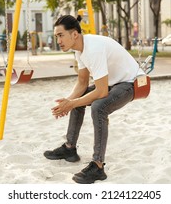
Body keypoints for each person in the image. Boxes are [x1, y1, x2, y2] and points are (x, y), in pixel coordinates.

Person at [44, 14, 145, 184]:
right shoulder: (79, 50)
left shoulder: (94, 48)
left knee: (99, 106)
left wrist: (72, 103)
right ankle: (70, 148)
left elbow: (101, 92)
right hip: (114, 83)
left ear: (74, 34)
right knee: (80, 99)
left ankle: (98, 166)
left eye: (61, 35)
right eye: (56, 36)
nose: (58, 40)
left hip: (131, 83)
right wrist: (67, 103)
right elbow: (82, 83)